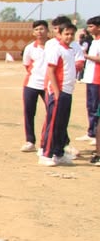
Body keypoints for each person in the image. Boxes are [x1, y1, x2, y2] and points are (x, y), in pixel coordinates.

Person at [39, 21, 78, 166]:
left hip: (68, 91)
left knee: (62, 125)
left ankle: (58, 153)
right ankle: (46, 154)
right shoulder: (56, 49)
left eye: (72, 34)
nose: (69, 37)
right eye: (66, 34)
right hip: (59, 91)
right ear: (60, 34)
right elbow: (51, 71)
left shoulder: (70, 50)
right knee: (53, 124)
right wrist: (56, 92)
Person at [20, 20, 49, 153]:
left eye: (42, 29)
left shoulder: (53, 46)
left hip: (48, 85)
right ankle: (30, 141)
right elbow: (27, 65)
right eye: (36, 30)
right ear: (33, 32)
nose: (39, 32)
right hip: (31, 84)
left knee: (53, 112)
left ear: (47, 30)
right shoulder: (30, 48)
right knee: (29, 112)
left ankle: (53, 141)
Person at [80, 16, 100, 145]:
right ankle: (91, 131)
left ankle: (95, 133)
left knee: (95, 107)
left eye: (91, 26)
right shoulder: (94, 41)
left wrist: (86, 56)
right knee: (90, 106)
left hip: (97, 79)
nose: (89, 29)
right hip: (90, 78)